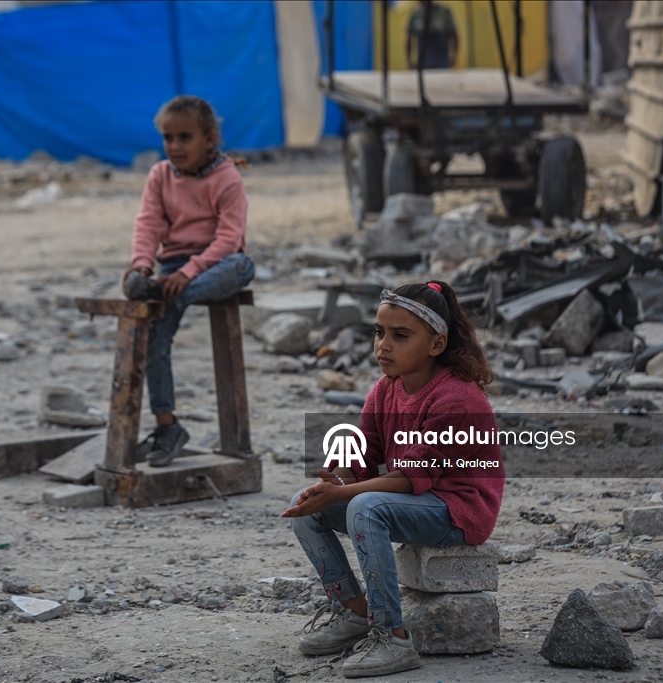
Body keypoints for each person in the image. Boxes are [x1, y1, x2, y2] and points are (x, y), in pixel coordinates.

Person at [282, 281, 503, 679]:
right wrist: (342, 471)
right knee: (305, 505)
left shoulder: (458, 399)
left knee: (367, 508)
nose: (383, 345)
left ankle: (392, 637)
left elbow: (408, 478)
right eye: (379, 332)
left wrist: (346, 492)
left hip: (458, 510)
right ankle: (353, 613)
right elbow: (368, 450)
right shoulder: (386, 391)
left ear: (436, 344)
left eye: (400, 336)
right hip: (414, 502)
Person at [122, 95, 255, 467]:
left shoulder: (227, 177)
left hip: (218, 266)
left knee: (242, 266)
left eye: (185, 137)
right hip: (173, 267)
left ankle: (168, 295)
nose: (175, 146)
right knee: (153, 340)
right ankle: (168, 426)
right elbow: (148, 225)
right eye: (169, 138)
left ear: (209, 138)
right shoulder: (160, 176)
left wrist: (186, 275)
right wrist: (142, 266)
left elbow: (229, 239)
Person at [406, 0, 458, 70]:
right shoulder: (416, 14)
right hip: (423, 64)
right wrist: (409, 61)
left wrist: (454, 56)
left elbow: (454, 36)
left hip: (442, 63)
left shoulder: (444, 12)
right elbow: (409, 39)